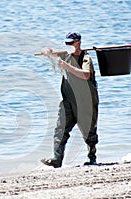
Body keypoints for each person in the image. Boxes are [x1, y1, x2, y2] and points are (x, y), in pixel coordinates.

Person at [41, 32, 99, 167]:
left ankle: (92, 158)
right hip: (68, 100)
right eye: (66, 43)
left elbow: (86, 75)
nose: (67, 45)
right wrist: (46, 51)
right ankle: (57, 159)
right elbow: (50, 50)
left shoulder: (86, 58)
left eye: (70, 43)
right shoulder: (64, 54)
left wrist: (68, 67)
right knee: (60, 129)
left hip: (86, 101)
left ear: (78, 43)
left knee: (89, 131)